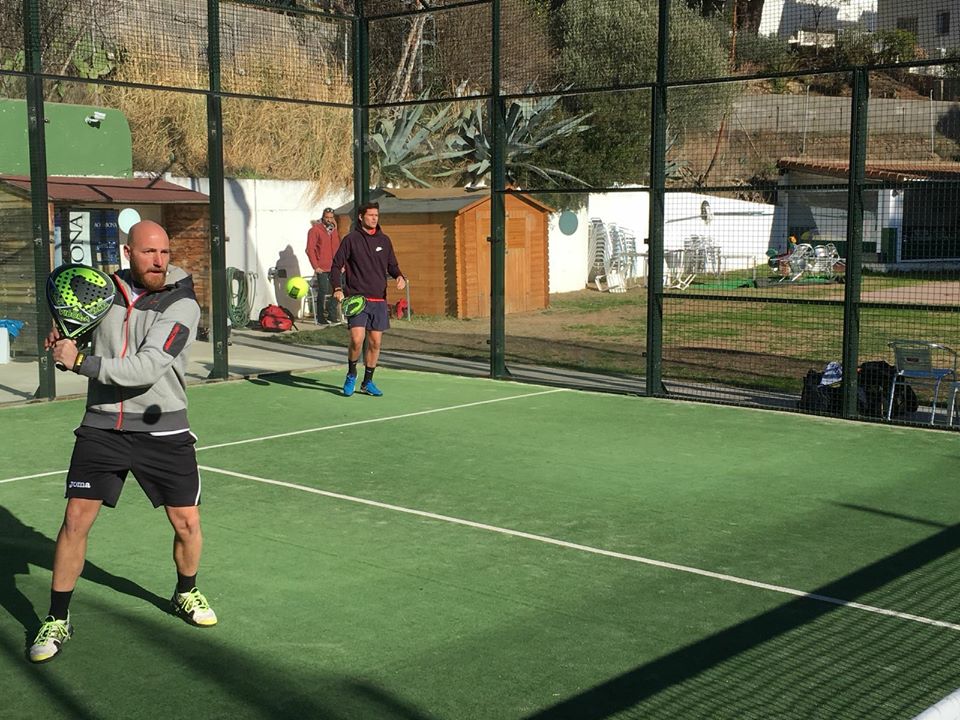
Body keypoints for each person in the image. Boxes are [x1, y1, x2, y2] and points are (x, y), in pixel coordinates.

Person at [30, 220, 216, 664]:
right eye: (150, 252)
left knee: (187, 523)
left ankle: (185, 592)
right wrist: (65, 343)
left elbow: (146, 368)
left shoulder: (182, 304)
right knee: (75, 520)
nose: (159, 261)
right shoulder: (104, 291)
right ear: (127, 252)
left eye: (165, 253)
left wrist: (82, 364)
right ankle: (57, 618)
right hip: (101, 427)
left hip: (163, 429)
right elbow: (82, 340)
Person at [330, 201, 406, 397]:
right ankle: (351, 374)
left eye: (376, 215)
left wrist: (399, 276)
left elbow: (393, 266)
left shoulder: (385, 240)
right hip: (357, 299)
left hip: (379, 301)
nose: (374, 218)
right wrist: (337, 288)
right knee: (357, 339)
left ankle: (367, 382)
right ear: (361, 217)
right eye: (370, 215)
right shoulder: (351, 240)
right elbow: (336, 266)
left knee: (375, 343)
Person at [305, 208, 342, 325]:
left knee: (338, 289)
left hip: (335, 266)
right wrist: (315, 266)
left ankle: (331, 313)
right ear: (323, 217)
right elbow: (309, 249)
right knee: (323, 290)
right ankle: (321, 316)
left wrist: (342, 264)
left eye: (331, 217)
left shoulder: (334, 230)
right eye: (327, 217)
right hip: (322, 267)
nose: (329, 220)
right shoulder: (315, 230)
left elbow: (339, 248)